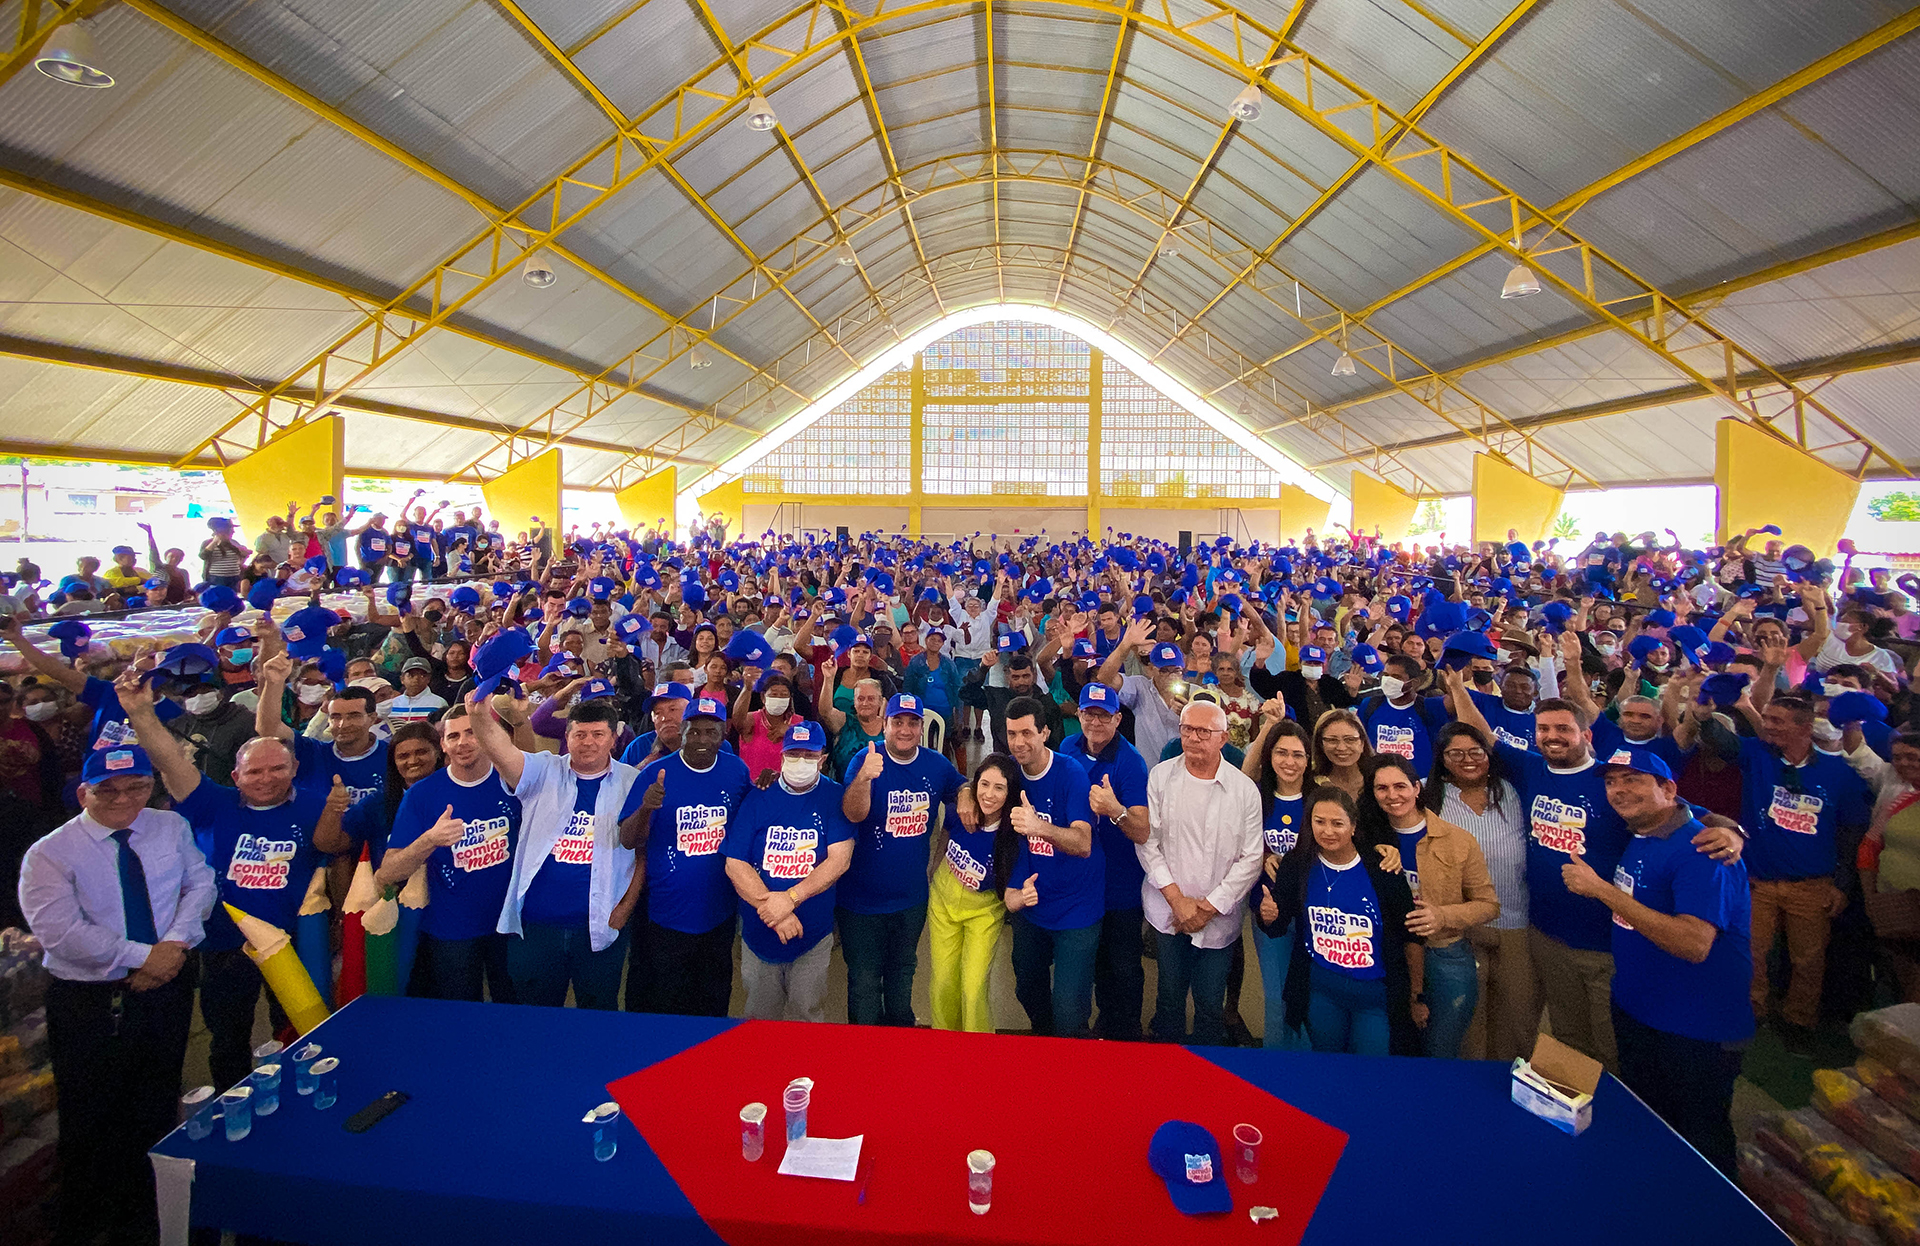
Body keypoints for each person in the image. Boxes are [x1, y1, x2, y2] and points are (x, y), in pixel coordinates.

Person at [1447, 668, 1744, 1071]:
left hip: (1606, 944)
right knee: (1569, 1038)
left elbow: (1690, 815)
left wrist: (1734, 832)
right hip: (1547, 935)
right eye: (1544, 728)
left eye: (1564, 729)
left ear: (1586, 735)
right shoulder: (1532, 768)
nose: (1552, 736)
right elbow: (1483, 733)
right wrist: (1456, 687)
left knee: (1612, 1049)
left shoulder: (1617, 782)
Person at [116, 668, 349, 1093]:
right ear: (236, 775)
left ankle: (301, 1099)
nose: (266, 779)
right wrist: (141, 715)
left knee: (300, 1029)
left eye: (276, 769)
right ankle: (232, 1103)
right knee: (228, 1038)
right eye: (254, 772)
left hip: (295, 940)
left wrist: (337, 925)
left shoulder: (318, 806)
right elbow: (170, 760)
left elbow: (335, 859)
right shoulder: (212, 804)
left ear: (294, 767)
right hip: (224, 943)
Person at [19, 744, 215, 1246]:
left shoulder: (169, 828)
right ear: (84, 791)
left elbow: (200, 885)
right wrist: (141, 956)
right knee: (92, 1112)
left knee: (156, 1095)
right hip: (91, 1000)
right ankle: (89, 1219)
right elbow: (61, 933)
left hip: (166, 983)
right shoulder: (50, 853)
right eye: (108, 790)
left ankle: (150, 1212)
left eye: (137, 787)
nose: (124, 798)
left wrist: (171, 947)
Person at [1559, 751, 1752, 1177]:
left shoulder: (1703, 850)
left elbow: (1693, 943)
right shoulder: (1642, 833)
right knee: (1654, 1127)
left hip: (1695, 1028)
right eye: (1612, 782)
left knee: (1702, 1143)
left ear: (1667, 789)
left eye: (1633, 779)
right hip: (1640, 1012)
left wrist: (1602, 891)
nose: (1619, 790)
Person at [1677, 691, 1871, 1052]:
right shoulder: (1757, 755)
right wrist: (1703, 717)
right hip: (1758, 880)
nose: (1767, 726)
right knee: (1751, 951)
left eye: (1777, 721)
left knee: (1808, 960)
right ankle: (1751, 1012)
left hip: (1812, 883)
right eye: (1766, 718)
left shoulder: (1840, 774)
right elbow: (1724, 741)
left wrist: (1842, 884)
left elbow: (1851, 834)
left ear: (1805, 727)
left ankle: (1799, 1021)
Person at [467, 690, 645, 1010]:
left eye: (597, 734)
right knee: (534, 1015)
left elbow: (643, 852)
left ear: (614, 738)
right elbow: (501, 750)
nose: (588, 742)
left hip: (600, 925)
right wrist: (478, 715)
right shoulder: (542, 771)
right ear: (567, 736)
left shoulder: (633, 782)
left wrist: (626, 907)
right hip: (537, 926)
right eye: (580, 734)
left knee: (597, 1014)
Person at [1258, 785, 1424, 1055]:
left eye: (1338, 823)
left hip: (1375, 996)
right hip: (1322, 991)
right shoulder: (1297, 865)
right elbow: (1277, 925)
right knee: (1328, 1066)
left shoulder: (1382, 868)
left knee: (1371, 1070)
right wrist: (1268, 916)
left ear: (1354, 826)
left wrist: (1416, 995)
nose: (1328, 831)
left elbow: (1411, 934)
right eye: (1319, 822)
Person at [1138, 701, 1264, 1045]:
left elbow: (1252, 858)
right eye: (1187, 729)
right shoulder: (1160, 777)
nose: (1193, 738)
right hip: (1169, 913)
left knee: (1210, 1003)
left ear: (1223, 738)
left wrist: (1207, 907)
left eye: (1203, 731)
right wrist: (1177, 900)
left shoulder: (1244, 790)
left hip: (1218, 918)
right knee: (1169, 997)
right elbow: (1149, 843)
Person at [376, 705, 520, 1002]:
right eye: (453, 736)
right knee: (459, 1017)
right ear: (443, 745)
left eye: (471, 732)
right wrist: (429, 839)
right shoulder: (422, 794)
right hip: (451, 930)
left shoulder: (513, 780)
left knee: (514, 1011)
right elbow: (387, 873)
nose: (462, 742)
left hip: (510, 924)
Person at [838, 693, 965, 1026]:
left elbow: (962, 789)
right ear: (884, 724)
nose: (905, 730)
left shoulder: (936, 765)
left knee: (901, 978)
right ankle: (866, 1060)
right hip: (860, 902)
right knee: (864, 983)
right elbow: (852, 813)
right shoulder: (864, 760)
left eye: (912, 722)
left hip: (911, 900)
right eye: (897, 722)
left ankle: (900, 1052)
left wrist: (964, 798)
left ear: (921, 727)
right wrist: (865, 778)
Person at [1361, 755, 1500, 1058]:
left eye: (1400, 786)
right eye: (1381, 788)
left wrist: (1442, 915)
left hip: (1445, 955)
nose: (1392, 795)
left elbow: (1489, 905)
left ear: (1416, 788)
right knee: (1398, 1047)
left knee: (1441, 1049)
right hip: (1389, 956)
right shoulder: (1366, 838)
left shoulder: (1458, 840)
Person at [625, 695, 753, 1016]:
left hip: (719, 913)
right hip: (667, 914)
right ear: (682, 732)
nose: (702, 740)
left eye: (711, 732)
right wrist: (645, 808)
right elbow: (628, 839)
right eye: (694, 732)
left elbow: (750, 823)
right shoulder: (654, 774)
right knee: (669, 1000)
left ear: (723, 734)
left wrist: (765, 786)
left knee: (713, 999)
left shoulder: (736, 771)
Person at [724, 720, 854, 1021]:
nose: (801, 761)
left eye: (809, 755)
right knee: (759, 1015)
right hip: (760, 932)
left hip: (812, 934)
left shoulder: (834, 796)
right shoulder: (758, 796)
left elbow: (839, 860)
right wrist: (775, 909)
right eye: (794, 754)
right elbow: (735, 862)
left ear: (822, 759)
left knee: (806, 1014)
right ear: (781, 757)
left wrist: (791, 897)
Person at [1425, 721, 1535, 1062]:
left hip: (1516, 923)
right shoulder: (1431, 797)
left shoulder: (1512, 791)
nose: (1467, 759)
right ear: (1442, 759)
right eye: (1455, 753)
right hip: (1462, 927)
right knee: (1470, 1023)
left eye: (1476, 752)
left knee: (1518, 1021)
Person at [1000, 696, 1100, 1037]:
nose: (1019, 742)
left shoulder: (1070, 773)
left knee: (1069, 1010)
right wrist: (968, 794)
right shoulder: (1010, 772)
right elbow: (976, 787)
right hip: (1031, 907)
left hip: (1076, 908)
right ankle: (1045, 1053)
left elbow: (1083, 843)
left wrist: (1038, 826)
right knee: (1027, 990)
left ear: (1045, 733)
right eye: (1012, 734)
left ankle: (1072, 1072)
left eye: (1027, 733)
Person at [1061, 681, 1152, 1041]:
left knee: (1125, 964)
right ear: (1079, 714)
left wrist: (1115, 811)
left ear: (1117, 718)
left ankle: (1128, 1033)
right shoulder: (1069, 746)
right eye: (1088, 714)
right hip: (1082, 881)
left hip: (1120, 884)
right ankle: (1105, 1022)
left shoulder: (1130, 762)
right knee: (1096, 961)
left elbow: (1142, 830)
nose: (1095, 723)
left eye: (1103, 715)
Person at [927, 753, 1021, 1032]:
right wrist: (935, 863)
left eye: (999, 787)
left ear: (1010, 792)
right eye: (984, 784)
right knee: (942, 982)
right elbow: (946, 831)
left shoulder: (1013, 832)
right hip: (944, 900)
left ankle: (976, 1049)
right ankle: (944, 1044)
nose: (989, 795)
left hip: (985, 911)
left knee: (973, 985)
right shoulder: (962, 809)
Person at [1244, 717, 1313, 1048]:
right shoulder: (1255, 796)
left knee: (1308, 1000)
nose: (1289, 761)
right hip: (1268, 911)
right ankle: (1275, 1075)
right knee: (1276, 1000)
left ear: (1309, 759)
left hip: (1313, 914)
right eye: (1281, 752)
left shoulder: (1320, 796)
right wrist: (1261, 858)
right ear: (1269, 756)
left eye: (1298, 754)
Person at [254, 653, 388, 806]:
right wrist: (274, 683)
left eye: (354, 716)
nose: (343, 724)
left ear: (372, 718)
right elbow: (267, 728)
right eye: (336, 717)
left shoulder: (392, 756)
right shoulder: (311, 752)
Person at [164, 677, 255, 788]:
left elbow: (250, 765)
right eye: (191, 694)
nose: (198, 697)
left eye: (204, 691)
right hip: (184, 795)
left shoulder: (245, 721)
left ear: (220, 693)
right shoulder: (177, 725)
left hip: (228, 795)